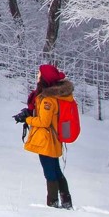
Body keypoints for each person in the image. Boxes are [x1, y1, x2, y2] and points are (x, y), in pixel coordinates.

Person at [13, 63, 75, 208]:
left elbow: (44, 122)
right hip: (53, 140)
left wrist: (28, 119)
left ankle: (52, 203)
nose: (37, 76)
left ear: (45, 78)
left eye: (39, 74)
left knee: (50, 172)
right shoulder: (53, 96)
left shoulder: (47, 100)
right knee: (56, 170)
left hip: (46, 141)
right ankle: (66, 202)